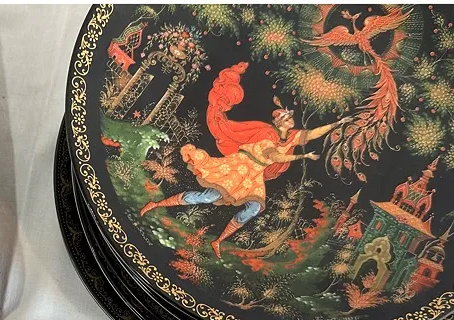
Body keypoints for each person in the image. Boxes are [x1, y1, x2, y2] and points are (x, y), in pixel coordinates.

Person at [140, 62, 349, 257]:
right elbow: (274, 156)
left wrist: (335, 125)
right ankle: (156, 204)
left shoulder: (292, 136)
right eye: (286, 118)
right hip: (240, 168)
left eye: (289, 117)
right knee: (208, 197)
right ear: (278, 122)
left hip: (254, 176)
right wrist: (302, 155)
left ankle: (219, 241)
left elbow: (312, 133)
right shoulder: (267, 135)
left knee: (254, 208)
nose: (290, 119)